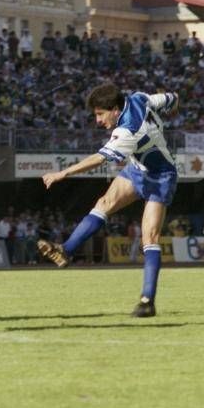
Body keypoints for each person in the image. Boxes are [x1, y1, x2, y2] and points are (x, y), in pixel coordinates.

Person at [36, 83, 178, 317]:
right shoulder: (139, 98)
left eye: (100, 114)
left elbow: (99, 158)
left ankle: (147, 301)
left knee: (149, 237)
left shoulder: (128, 130)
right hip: (137, 169)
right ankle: (66, 250)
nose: (98, 120)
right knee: (104, 204)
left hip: (161, 176)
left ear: (114, 109)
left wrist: (64, 173)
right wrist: (174, 107)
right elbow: (172, 97)